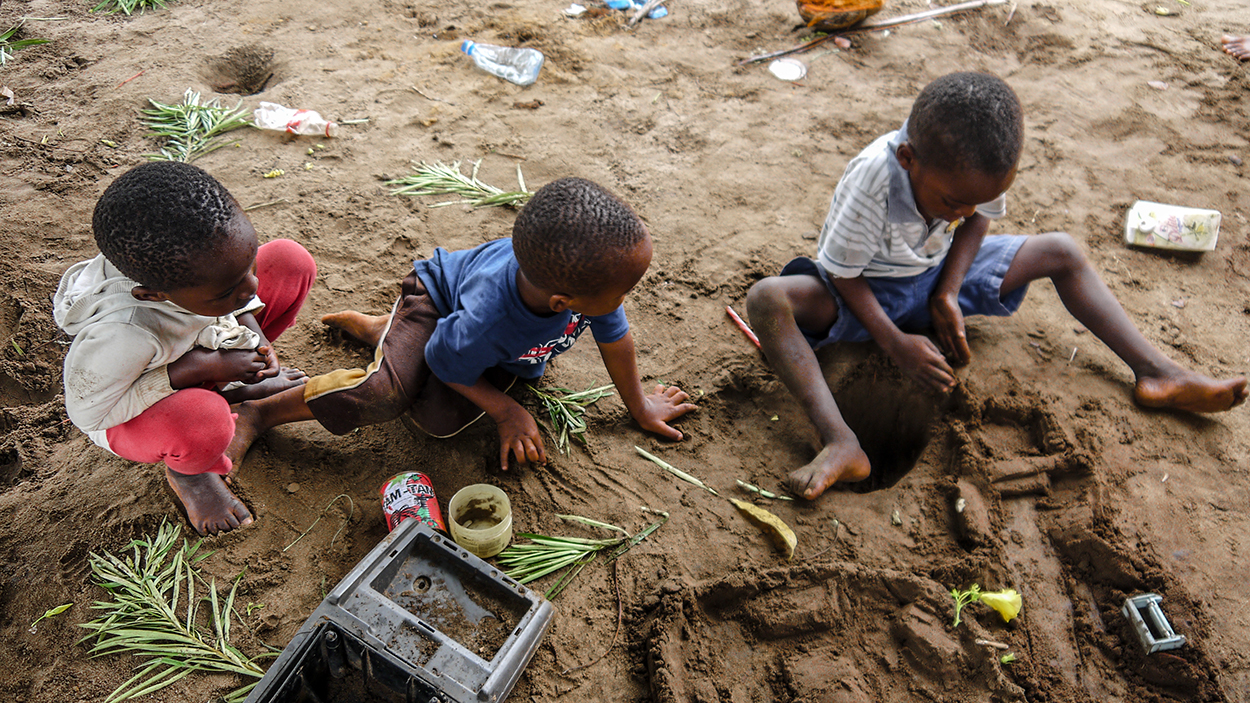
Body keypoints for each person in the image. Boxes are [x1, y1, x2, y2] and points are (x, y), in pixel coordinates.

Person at [746, 71, 1248, 501]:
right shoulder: (872, 179)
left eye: (976, 201)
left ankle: (1157, 372)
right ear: (907, 159)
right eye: (951, 202)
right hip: (866, 292)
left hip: (938, 276)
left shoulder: (970, 176)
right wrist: (895, 342)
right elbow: (841, 272)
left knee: (1063, 251)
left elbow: (979, 221)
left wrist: (948, 290)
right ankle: (840, 440)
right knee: (768, 297)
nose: (961, 213)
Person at [222, 176, 696, 478]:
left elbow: (617, 339)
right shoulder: (490, 315)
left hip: (473, 338)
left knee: (443, 422)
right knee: (388, 392)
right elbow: (446, 362)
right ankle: (263, 413)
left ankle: (385, 331)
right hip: (438, 303)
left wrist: (640, 406)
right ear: (562, 303)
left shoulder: (592, 281)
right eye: (622, 294)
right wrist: (508, 413)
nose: (623, 301)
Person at [54, 162, 317, 535]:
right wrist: (197, 369)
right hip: (130, 409)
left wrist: (251, 333)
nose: (253, 287)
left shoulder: (201, 266)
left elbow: (239, 289)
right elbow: (91, 415)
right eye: (229, 291)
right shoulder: (123, 334)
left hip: (200, 349)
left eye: (249, 263)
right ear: (154, 296)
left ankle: (234, 389)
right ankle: (189, 475)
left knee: (290, 262)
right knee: (203, 420)